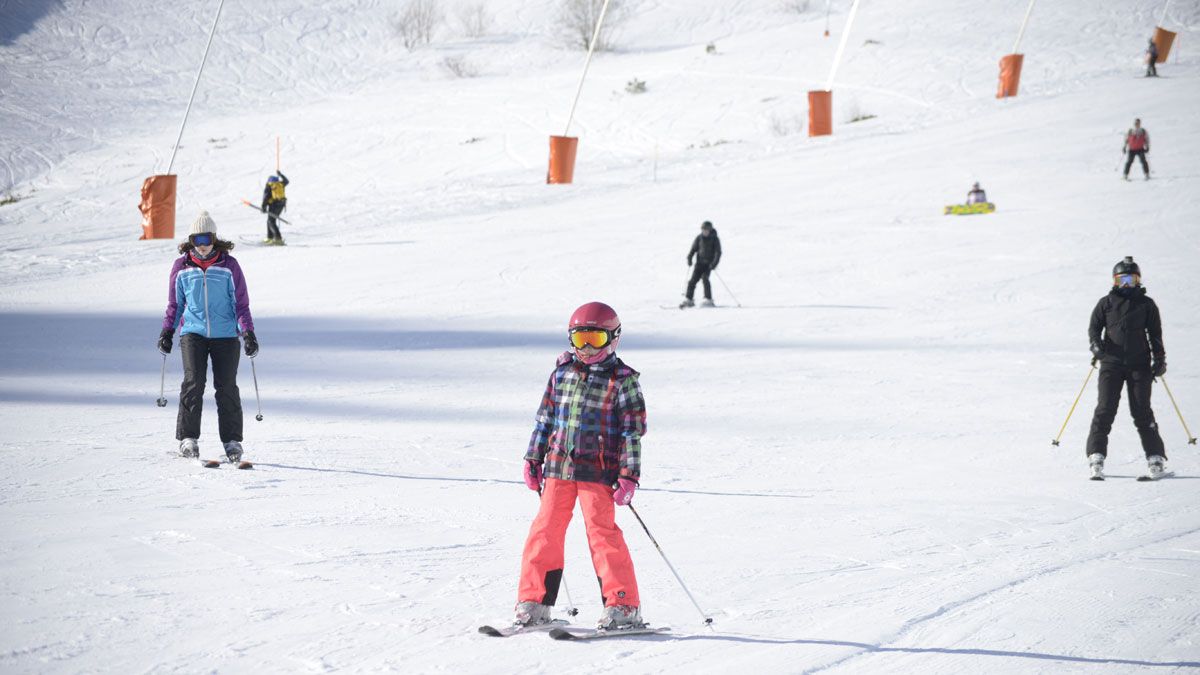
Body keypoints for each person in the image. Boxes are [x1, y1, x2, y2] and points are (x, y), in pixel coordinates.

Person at [514, 301, 647, 631]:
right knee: (544, 532)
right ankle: (533, 603)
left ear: (613, 338)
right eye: (579, 339)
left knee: (602, 534)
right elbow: (545, 419)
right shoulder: (561, 373)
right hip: (558, 467)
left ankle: (623, 605)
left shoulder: (623, 380)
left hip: (598, 471)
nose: (586, 348)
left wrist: (629, 475)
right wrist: (534, 457)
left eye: (595, 339)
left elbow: (632, 432)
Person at [158, 211, 259, 463]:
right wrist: (167, 331)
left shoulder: (229, 266)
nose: (202, 246)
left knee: (226, 387)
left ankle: (232, 441)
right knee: (194, 382)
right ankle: (188, 438)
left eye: (206, 239)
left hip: (225, 334)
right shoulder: (181, 267)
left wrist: (247, 332)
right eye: (196, 240)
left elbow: (241, 304)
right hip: (193, 332)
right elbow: (175, 304)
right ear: (191, 241)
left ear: (214, 239)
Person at [1084, 256, 1168, 480]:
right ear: (1114, 281)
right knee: (1105, 410)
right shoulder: (1106, 303)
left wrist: (1159, 360)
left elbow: (1155, 335)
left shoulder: (1147, 304)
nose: (1127, 285)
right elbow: (1094, 329)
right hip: (1111, 364)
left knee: (1142, 411)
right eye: (1122, 280)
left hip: (1139, 366)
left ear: (1138, 280)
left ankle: (1156, 458)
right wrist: (1097, 348)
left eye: (1131, 279)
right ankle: (1096, 455)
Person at [681, 221, 722, 308]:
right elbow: (693, 249)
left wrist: (714, 264)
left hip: (708, 265)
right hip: (699, 264)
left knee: (705, 278)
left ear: (710, 230)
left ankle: (708, 299)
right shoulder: (699, 238)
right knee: (692, 281)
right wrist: (689, 258)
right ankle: (689, 300)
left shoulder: (715, 239)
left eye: (706, 230)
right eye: (703, 230)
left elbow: (718, 253)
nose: (705, 232)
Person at [260, 171, 289, 245]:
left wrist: (263, 207)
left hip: (274, 205)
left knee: (271, 221)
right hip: (282, 204)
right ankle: (270, 237)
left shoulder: (269, 186)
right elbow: (287, 181)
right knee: (271, 220)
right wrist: (281, 175)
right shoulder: (280, 184)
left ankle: (278, 239)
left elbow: (266, 197)